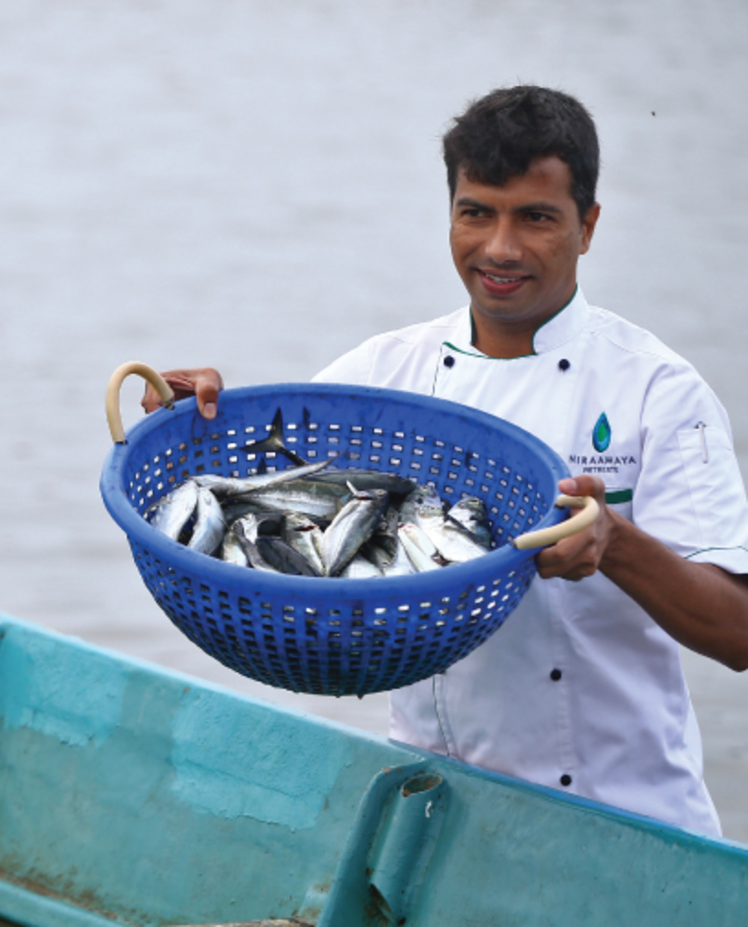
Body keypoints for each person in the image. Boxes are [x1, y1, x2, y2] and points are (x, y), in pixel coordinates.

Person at [144, 85, 748, 836]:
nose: (499, 248)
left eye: (535, 217)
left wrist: (614, 544)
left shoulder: (657, 391)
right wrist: (198, 414)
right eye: (476, 212)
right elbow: (267, 485)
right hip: (438, 821)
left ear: (587, 226)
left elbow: (737, 631)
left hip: (626, 820)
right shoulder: (387, 370)